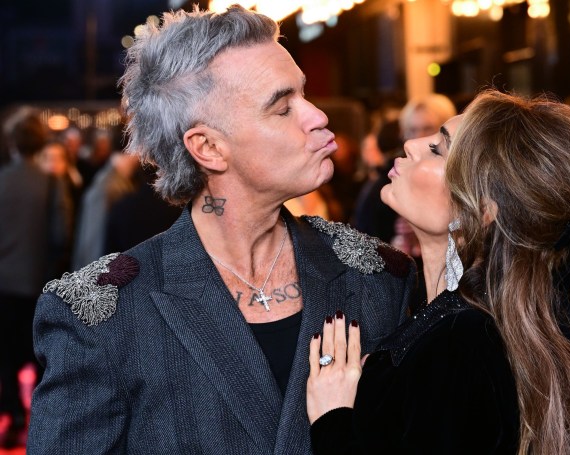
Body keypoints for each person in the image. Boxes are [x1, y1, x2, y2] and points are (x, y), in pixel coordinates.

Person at [27, 6, 416, 454]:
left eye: (304, 95)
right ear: (208, 147)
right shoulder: (101, 317)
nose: (317, 117)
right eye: (283, 107)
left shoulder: (376, 277)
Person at [307, 90, 570, 454]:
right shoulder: (468, 320)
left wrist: (333, 419)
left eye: (438, 149)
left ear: (485, 208)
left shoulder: (464, 340)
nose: (411, 144)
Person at [0, 108, 72, 448]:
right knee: (42, 356)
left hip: (3, 286)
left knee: (6, 356)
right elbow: (62, 234)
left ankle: (13, 414)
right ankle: (42, 424)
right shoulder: (50, 182)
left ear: (12, 142)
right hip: (41, 284)